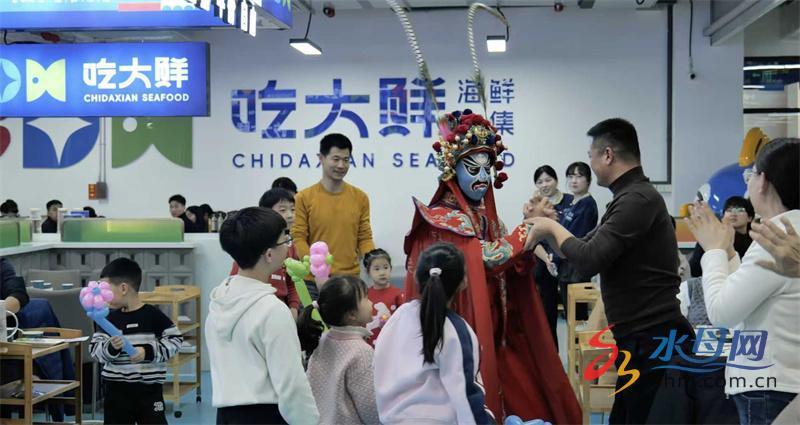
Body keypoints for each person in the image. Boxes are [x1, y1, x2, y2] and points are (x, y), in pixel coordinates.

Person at [403, 110, 580, 422]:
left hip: (496, 327)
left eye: (488, 168)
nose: (483, 178)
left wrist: (524, 242)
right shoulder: (442, 219)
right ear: (452, 169)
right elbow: (487, 257)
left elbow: (507, 262)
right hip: (460, 326)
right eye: (473, 168)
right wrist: (529, 229)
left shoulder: (486, 218)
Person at [527, 118, 693, 424]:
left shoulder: (637, 200)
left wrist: (549, 226)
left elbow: (589, 259)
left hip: (655, 337)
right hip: (638, 338)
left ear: (608, 155)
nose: (590, 164)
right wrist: (550, 230)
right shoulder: (627, 199)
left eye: (590, 156)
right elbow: (579, 249)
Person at [686, 138, 799, 425]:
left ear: (763, 182)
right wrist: (728, 253)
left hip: (771, 384)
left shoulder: (779, 236)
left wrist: (713, 251)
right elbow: (751, 294)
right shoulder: (788, 232)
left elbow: (722, 313)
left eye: (751, 175)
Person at [206, 207, 318, 424]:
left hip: (226, 415)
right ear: (269, 254)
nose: (289, 245)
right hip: (266, 415)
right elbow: (292, 385)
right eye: (285, 240)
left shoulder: (218, 303)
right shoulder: (272, 310)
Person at [375, 243, 494, 424]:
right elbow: (467, 396)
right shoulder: (456, 330)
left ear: (416, 275)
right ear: (463, 282)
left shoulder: (399, 316)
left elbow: (379, 365)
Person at [89, 258, 183, 424]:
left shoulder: (152, 315)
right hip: (116, 392)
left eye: (106, 289)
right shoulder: (107, 319)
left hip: (150, 391)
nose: (103, 296)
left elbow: (175, 340)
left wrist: (147, 352)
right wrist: (111, 347)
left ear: (123, 288)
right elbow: (95, 351)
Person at [298, 276, 379, 425]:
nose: (371, 302)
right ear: (352, 314)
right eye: (366, 298)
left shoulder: (323, 340)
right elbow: (370, 409)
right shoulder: (361, 352)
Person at [292, 133, 375, 277]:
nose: (341, 165)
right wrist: (317, 269)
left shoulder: (360, 197)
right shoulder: (303, 197)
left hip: (350, 278)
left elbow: (365, 238)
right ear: (321, 158)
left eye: (346, 160)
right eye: (336, 159)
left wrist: (373, 262)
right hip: (314, 280)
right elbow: (299, 238)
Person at [229, 188, 301, 319]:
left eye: (293, 209)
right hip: (254, 310)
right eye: (283, 210)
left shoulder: (290, 246)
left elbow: (292, 283)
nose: (290, 215)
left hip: (281, 310)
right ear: (266, 213)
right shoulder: (252, 244)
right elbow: (235, 281)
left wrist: (293, 308)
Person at [532, 164, 574, 346]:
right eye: (540, 181)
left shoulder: (571, 201)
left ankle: (577, 352)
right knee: (547, 312)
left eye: (548, 180)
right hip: (544, 263)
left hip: (568, 261)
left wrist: (557, 254)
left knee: (574, 312)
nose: (544, 185)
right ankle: (552, 353)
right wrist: (547, 259)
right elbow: (531, 238)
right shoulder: (534, 205)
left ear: (556, 180)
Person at [558, 161, 599, 321]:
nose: (574, 180)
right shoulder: (572, 203)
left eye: (579, 176)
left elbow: (575, 236)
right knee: (571, 317)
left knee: (578, 319)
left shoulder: (587, 204)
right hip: (566, 268)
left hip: (576, 269)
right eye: (570, 176)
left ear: (588, 180)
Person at [689, 196, 754, 277]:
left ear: (749, 218)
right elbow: (694, 269)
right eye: (729, 210)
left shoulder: (754, 242)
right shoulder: (714, 236)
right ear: (723, 216)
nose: (733, 214)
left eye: (740, 210)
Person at [362, 249, 405, 345]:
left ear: (390, 268)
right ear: (368, 271)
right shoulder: (364, 295)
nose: (382, 273)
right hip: (369, 344)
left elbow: (404, 321)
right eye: (377, 269)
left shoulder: (398, 294)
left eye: (385, 267)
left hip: (391, 342)